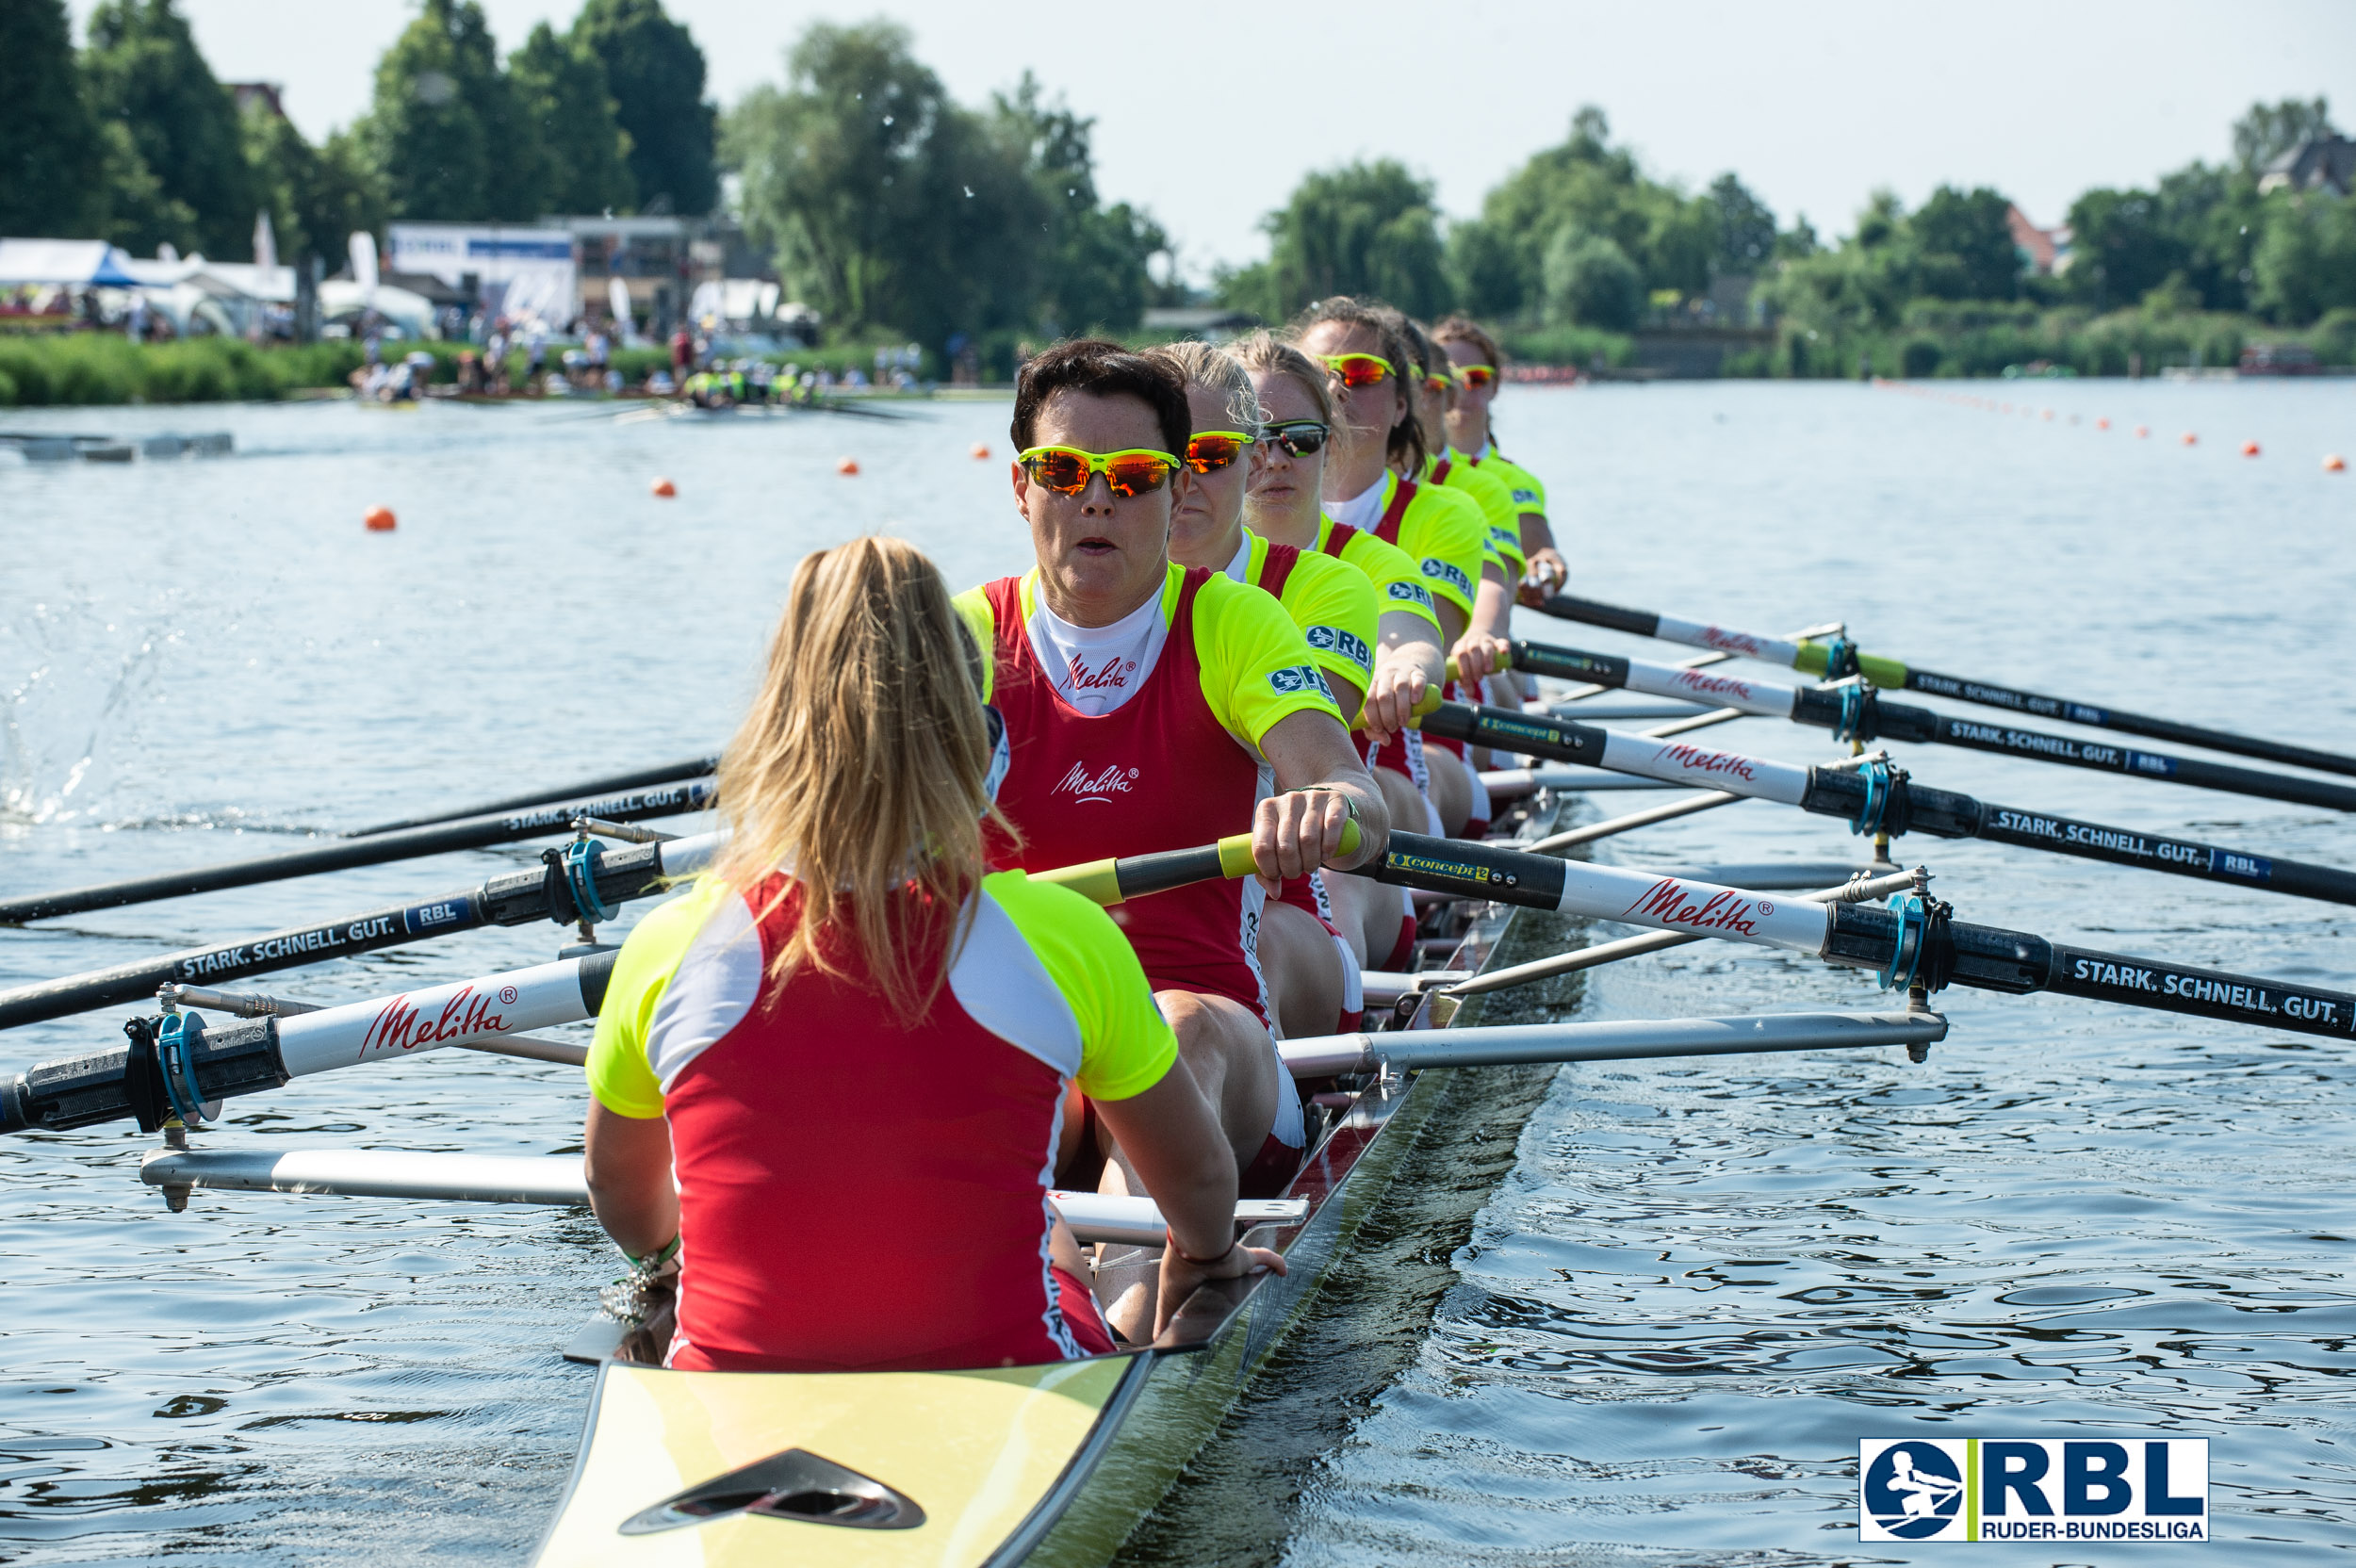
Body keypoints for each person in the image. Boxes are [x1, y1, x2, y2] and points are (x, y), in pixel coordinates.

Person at [582, 536, 1283, 1371]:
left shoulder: (670, 942)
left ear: (773, 735)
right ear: (978, 741)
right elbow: (1202, 1182)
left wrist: (680, 1259)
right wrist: (1206, 1262)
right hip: (1007, 1370)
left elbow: (619, 1194)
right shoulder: (1060, 932)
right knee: (1049, 1231)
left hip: (730, 1373)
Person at [954, 340, 1390, 1332]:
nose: (1095, 501)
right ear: (1020, 489)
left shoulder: (1231, 622)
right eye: (1064, 473)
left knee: (1174, 1025)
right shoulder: (961, 632)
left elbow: (1347, 783)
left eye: (1136, 476)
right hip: (1032, 1030)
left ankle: (1113, 1325)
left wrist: (1327, 809)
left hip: (1220, 1044)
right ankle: (1050, 1284)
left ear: (1174, 485)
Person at [1148, 340, 1389, 1038]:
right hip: (1117, 926)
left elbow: (1289, 757)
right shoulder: (1059, 608)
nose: (1188, 479)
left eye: (1214, 455)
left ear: (1250, 462)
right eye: (1170, 457)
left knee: (1186, 1022)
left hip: (1283, 913)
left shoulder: (1321, 587)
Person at [1232, 331, 1450, 974]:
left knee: (1342, 827)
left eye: (1298, 440)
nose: (1274, 461)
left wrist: (1404, 669)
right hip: (1225, 851)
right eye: (1252, 441)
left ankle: (1340, 981)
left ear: (1330, 447)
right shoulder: (1161, 587)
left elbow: (1412, 636)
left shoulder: (1364, 566)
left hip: (1354, 833)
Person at [1288, 298, 1506, 839]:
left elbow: (1435, 636)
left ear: (1403, 405)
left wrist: (1400, 667)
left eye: (1361, 374)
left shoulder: (1444, 512)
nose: (1338, 389)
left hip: (1403, 768)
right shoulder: (1219, 536)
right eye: (1318, 375)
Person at [1433, 317, 1568, 600]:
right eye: (1448, 378)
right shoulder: (1399, 467)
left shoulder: (1512, 479)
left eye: (1475, 379)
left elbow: (1537, 545)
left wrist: (1544, 561)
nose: (1459, 391)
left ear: (1494, 387)